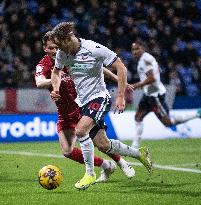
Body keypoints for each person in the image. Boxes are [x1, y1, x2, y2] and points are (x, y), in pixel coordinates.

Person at [50, 22, 152, 190]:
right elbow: (56, 72)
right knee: (103, 144)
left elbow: (121, 67)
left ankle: (89, 174)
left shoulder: (94, 48)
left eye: (61, 45)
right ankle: (138, 153)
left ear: (69, 38)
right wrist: (55, 88)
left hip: (99, 97)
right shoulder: (62, 53)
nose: (60, 50)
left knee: (80, 130)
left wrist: (120, 96)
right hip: (83, 102)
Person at [35, 31, 136, 183]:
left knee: (99, 142)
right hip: (64, 113)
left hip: (81, 106)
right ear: (45, 49)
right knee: (67, 152)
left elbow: (98, 66)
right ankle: (105, 165)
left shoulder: (68, 55)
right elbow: (39, 82)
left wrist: (117, 79)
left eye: (56, 47)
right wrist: (55, 80)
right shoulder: (44, 65)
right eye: (51, 48)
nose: (55, 50)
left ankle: (122, 162)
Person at [130, 41, 201, 149]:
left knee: (168, 122)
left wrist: (137, 85)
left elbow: (152, 78)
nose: (134, 52)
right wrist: (143, 84)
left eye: (137, 49)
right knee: (138, 117)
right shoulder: (146, 58)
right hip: (148, 94)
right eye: (133, 50)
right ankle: (135, 147)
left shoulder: (145, 61)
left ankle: (197, 114)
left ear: (143, 48)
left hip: (155, 96)